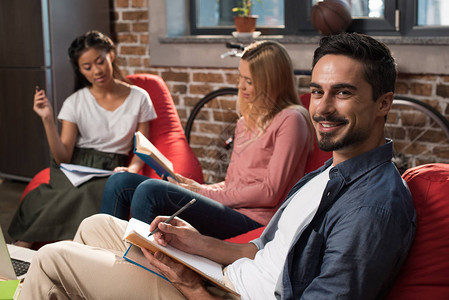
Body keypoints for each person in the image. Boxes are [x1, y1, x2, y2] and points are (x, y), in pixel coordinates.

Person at [20, 33, 416, 299]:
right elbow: (261, 250)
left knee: (53, 257)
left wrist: (194, 288)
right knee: (94, 225)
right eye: (317, 91)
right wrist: (196, 243)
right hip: (222, 275)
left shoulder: (372, 207)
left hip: (220, 294)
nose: (323, 107)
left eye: (343, 93)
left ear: (383, 103)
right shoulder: (328, 173)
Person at [100, 40, 315, 239]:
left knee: (151, 191)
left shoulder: (291, 119)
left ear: (272, 83)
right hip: (230, 209)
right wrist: (198, 187)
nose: (240, 86)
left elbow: (270, 193)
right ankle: (111, 254)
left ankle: (140, 267)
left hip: (255, 221)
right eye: (240, 77)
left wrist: (203, 193)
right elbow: (233, 184)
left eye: (249, 81)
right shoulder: (246, 122)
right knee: (121, 181)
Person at [8, 31, 157, 248]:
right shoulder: (75, 102)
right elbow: (62, 157)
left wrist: (132, 170)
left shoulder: (139, 97)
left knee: (88, 193)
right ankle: (19, 260)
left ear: (111, 55)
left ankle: (69, 256)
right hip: (75, 166)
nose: (96, 70)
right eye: (87, 67)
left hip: (111, 168)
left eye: (100, 61)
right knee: (44, 198)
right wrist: (48, 120)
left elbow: (142, 147)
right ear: (80, 69)